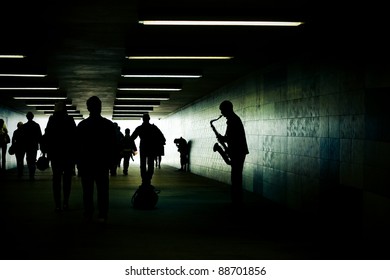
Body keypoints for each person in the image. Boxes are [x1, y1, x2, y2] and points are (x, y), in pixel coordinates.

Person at [76, 96, 116, 223]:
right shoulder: (108, 125)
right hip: (102, 163)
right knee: (103, 190)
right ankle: (102, 214)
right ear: (100, 107)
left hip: (87, 163)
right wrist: (112, 163)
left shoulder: (82, 126)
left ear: (88, 108)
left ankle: (88, 213)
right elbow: (112, 146)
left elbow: (77, 147)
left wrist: (78, 164)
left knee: (87, 191)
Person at [44, 101, 77, 212]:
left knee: (56, 179)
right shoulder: (70, 120)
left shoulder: (52, 120)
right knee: (67, 180)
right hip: (68, 155)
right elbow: (74, 137)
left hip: (55, 155)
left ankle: (57, 204)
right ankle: (65, 203)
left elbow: (47, 136)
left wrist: (47, 152)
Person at [216, 100, 249, 207]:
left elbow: (232, 138)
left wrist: (222, 139)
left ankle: (237, 201)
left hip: (237, 151)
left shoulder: (233, 120)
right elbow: (231, 137)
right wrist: (224, 140)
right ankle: (237, 200)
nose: (222, 113)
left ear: (227, 109)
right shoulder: (233, 119)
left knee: (236, 177)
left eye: (222, 110)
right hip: (238, 150)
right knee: (236, 176)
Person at [130, 113, 165, 186]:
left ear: (143, 119)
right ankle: (148, 180)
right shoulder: (153, 128)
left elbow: (132, 138)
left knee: (142, 164)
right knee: (150, 164)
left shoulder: (139, 128)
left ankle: (144, 180)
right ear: (149, 119)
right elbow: (162, 138)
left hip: (143, 147)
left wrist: (133, 148)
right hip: (151, 148)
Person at [23, 112, 42, 181]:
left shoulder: (24, 126)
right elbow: (39, 136)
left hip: (27, 145)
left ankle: (30, 172)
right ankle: (32, 174)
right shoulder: (36, 125)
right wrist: (41, 146)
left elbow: (22, 137)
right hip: (34, 145)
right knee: (33, 159)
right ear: (33, 117)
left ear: (27, 117)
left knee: (28, 159)